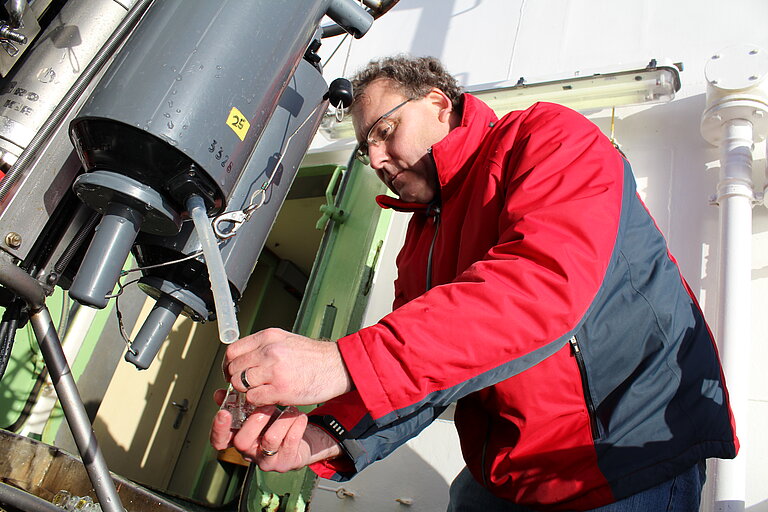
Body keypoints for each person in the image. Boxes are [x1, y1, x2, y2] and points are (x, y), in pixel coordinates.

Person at [210, 55, 738, 511]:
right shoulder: (422, 240)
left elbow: (541, 283)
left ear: (440, 104)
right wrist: (323, 433)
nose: (374, 159)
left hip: (621, 462)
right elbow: (418, 371)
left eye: (385, 132)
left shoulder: (547, 136)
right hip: (504, 479)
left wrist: (340, 361)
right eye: (366, 147)